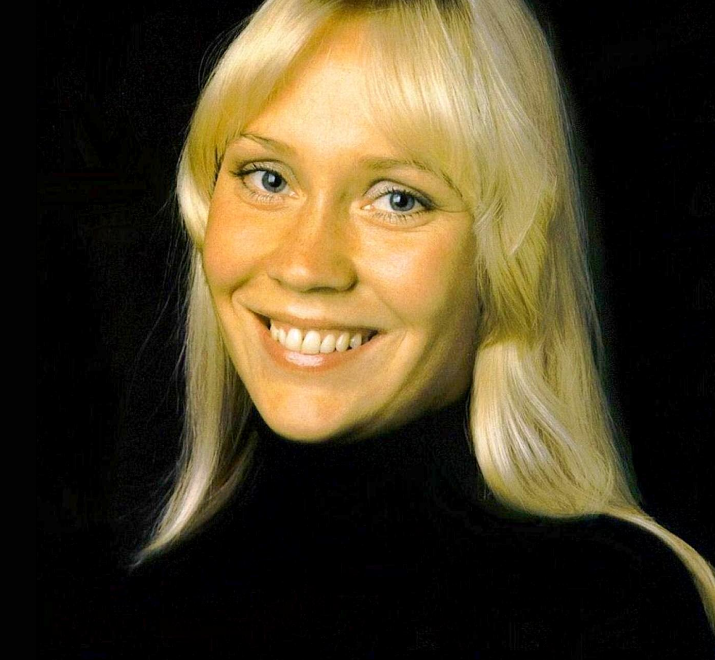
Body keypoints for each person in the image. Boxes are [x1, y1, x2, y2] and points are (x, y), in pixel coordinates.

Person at [98, 0, 714, 656]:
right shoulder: (144, 607)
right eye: (269, 179)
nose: (306, 266)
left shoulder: (608, 608)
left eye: (398, 199)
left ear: (506, 258)